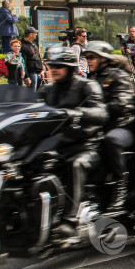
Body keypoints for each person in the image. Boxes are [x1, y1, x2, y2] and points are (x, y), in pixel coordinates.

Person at [40, 47, 107, 228]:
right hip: (55, 145)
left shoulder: (87, 86)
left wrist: (76, 113)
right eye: (52, 65)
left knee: (75, 165)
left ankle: (70, 219)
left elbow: (101, 112)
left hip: (86, 146)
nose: (54, 69)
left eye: (59, 66)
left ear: (70, 68)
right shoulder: (47, 91)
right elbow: (30, 109)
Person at [82, 41, 135, 212]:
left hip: (121, 125)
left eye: (92, 57)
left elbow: (122, 103)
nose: (88, 60)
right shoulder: (90, 78)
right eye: (86, 57)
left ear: (103, 58)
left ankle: (120, 187)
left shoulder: (118, 76)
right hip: (99, 126)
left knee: (110, 140)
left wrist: (98, 110)